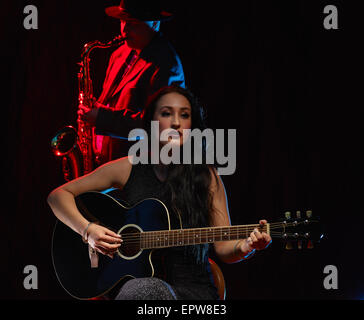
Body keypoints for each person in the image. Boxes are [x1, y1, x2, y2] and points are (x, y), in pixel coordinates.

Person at [48, 86, 272, 300]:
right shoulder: (129, 167)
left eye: (184, 115)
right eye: (167, 113)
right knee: (143, 289)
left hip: (192, 293)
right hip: (135, 288)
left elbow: (224, 247)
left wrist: (247, 246)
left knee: (145, 290)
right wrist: (88, 230)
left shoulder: (206, 176)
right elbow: (58, 196)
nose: (176, 122)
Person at [78, 0, 186, 165]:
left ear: (155, 23)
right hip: (108, 166)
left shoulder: (167, 65)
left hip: (139, 173)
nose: (124, 29)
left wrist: (101, 118)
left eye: (133, 23)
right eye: (122, 21)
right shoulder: (119, 53)